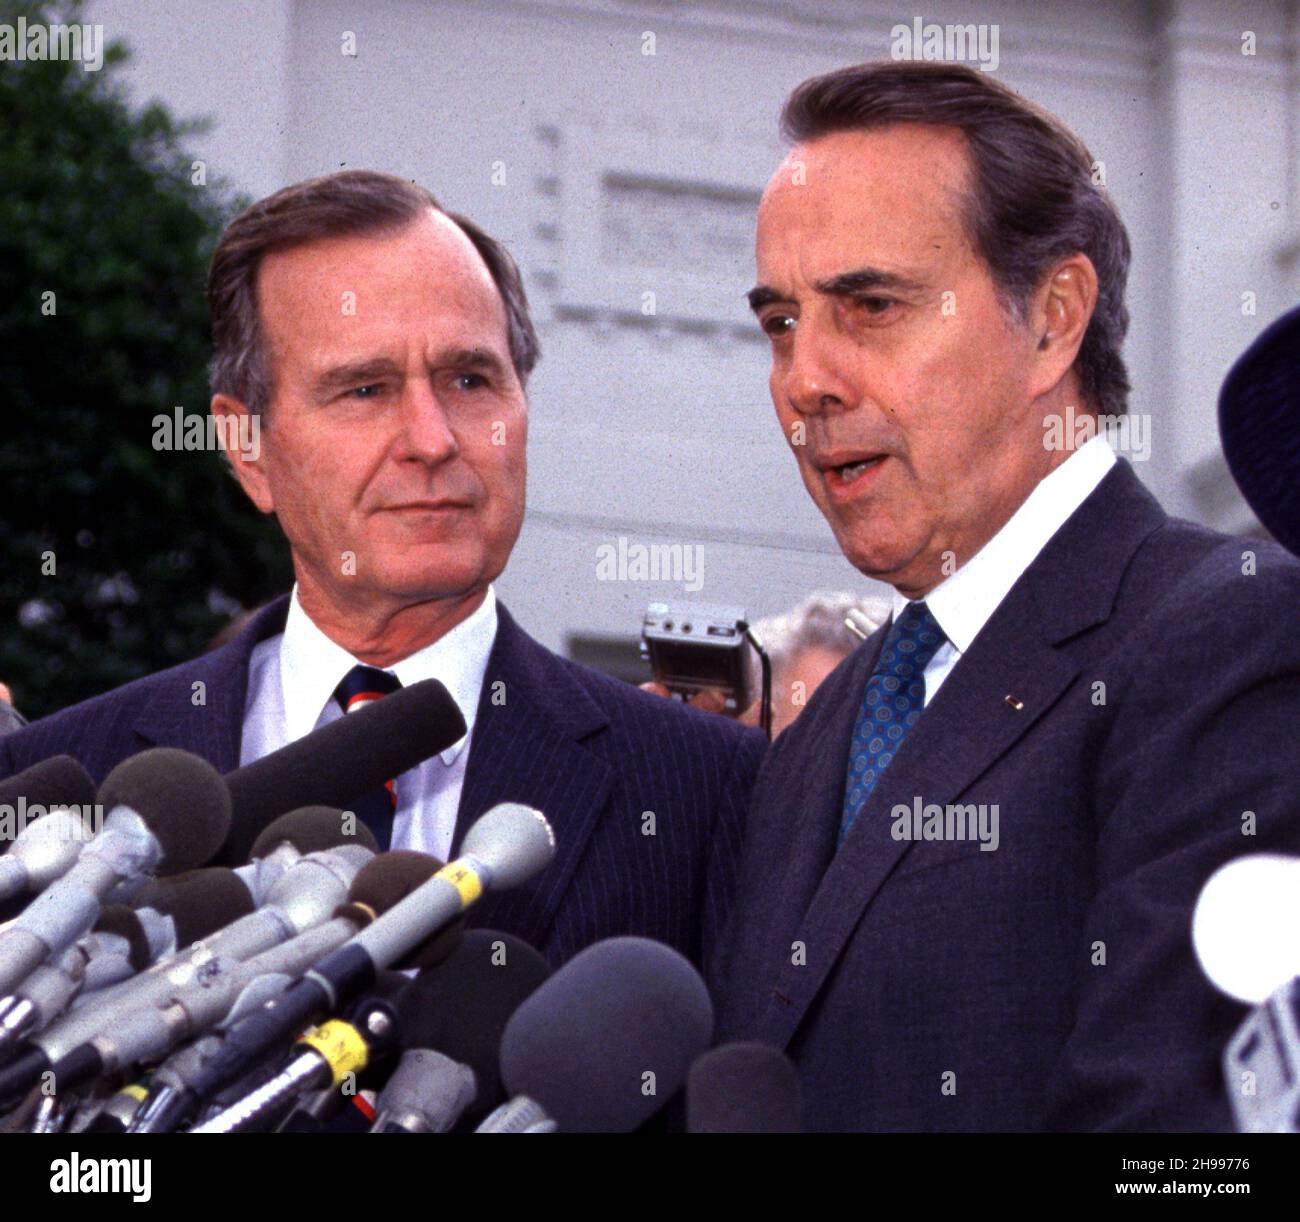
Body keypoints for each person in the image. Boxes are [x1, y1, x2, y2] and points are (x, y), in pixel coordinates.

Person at [713, 61, 1300, 1131]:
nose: (805, 378)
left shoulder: (1231, 634)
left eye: (870, 306)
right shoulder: (816, 737)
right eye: (780, 323)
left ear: (1053, 318)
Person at [0, 170, 766, 972]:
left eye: (470, 380)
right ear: (247, 448)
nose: (432, 440)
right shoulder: (70, 790)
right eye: (365, 389)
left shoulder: (708, 791)